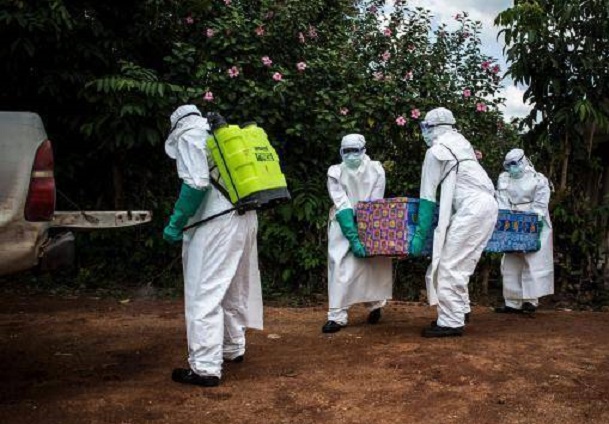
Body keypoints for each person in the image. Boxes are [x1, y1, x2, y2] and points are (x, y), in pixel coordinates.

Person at [163, 105, 263, 387]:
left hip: (218, 222)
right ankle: (233, 347)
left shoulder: (189, 135)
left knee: (203, 291)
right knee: (231, 285)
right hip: (244, 215)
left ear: (175, 125)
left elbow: (195, 184)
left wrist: (176, 222)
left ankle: (205, 367)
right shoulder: (220, 135)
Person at [410, 107, 498, 338]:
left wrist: (419, 235)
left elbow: (427, 197)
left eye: (425, 128)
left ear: (432, 128)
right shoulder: (461, 143)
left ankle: (450, 322)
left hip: (473, 209)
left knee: (449, 264)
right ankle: (460, 310)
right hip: (488, 205)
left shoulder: (437, 151)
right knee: (462, 263)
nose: (424, 133)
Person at [322, 134, 393, 333]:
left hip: (370, 219)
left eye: (355, 150)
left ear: (364, 150)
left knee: (371, 265)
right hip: (341, 224)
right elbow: (342, 203)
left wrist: (366, 228)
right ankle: (337, 316)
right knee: (340, 265)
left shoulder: (376, 169)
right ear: (340, 152)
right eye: (347, 151)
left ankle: (376, 305)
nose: (351, 155)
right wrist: (353, 237)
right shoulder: (335, 172)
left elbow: (374, 201)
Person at [495, 148, 554, 314]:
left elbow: (541, 203)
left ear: (523, 161)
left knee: (532, 260)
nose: (512, 168)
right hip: (511, 220)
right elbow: (501, 200)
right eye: (509, 165)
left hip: (533, 220)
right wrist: (507, 220)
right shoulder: (504, 178)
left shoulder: (538, 179)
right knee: (511, 260)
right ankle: (512, 302)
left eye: (515, 164)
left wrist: (533, 223)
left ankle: (530, 300)